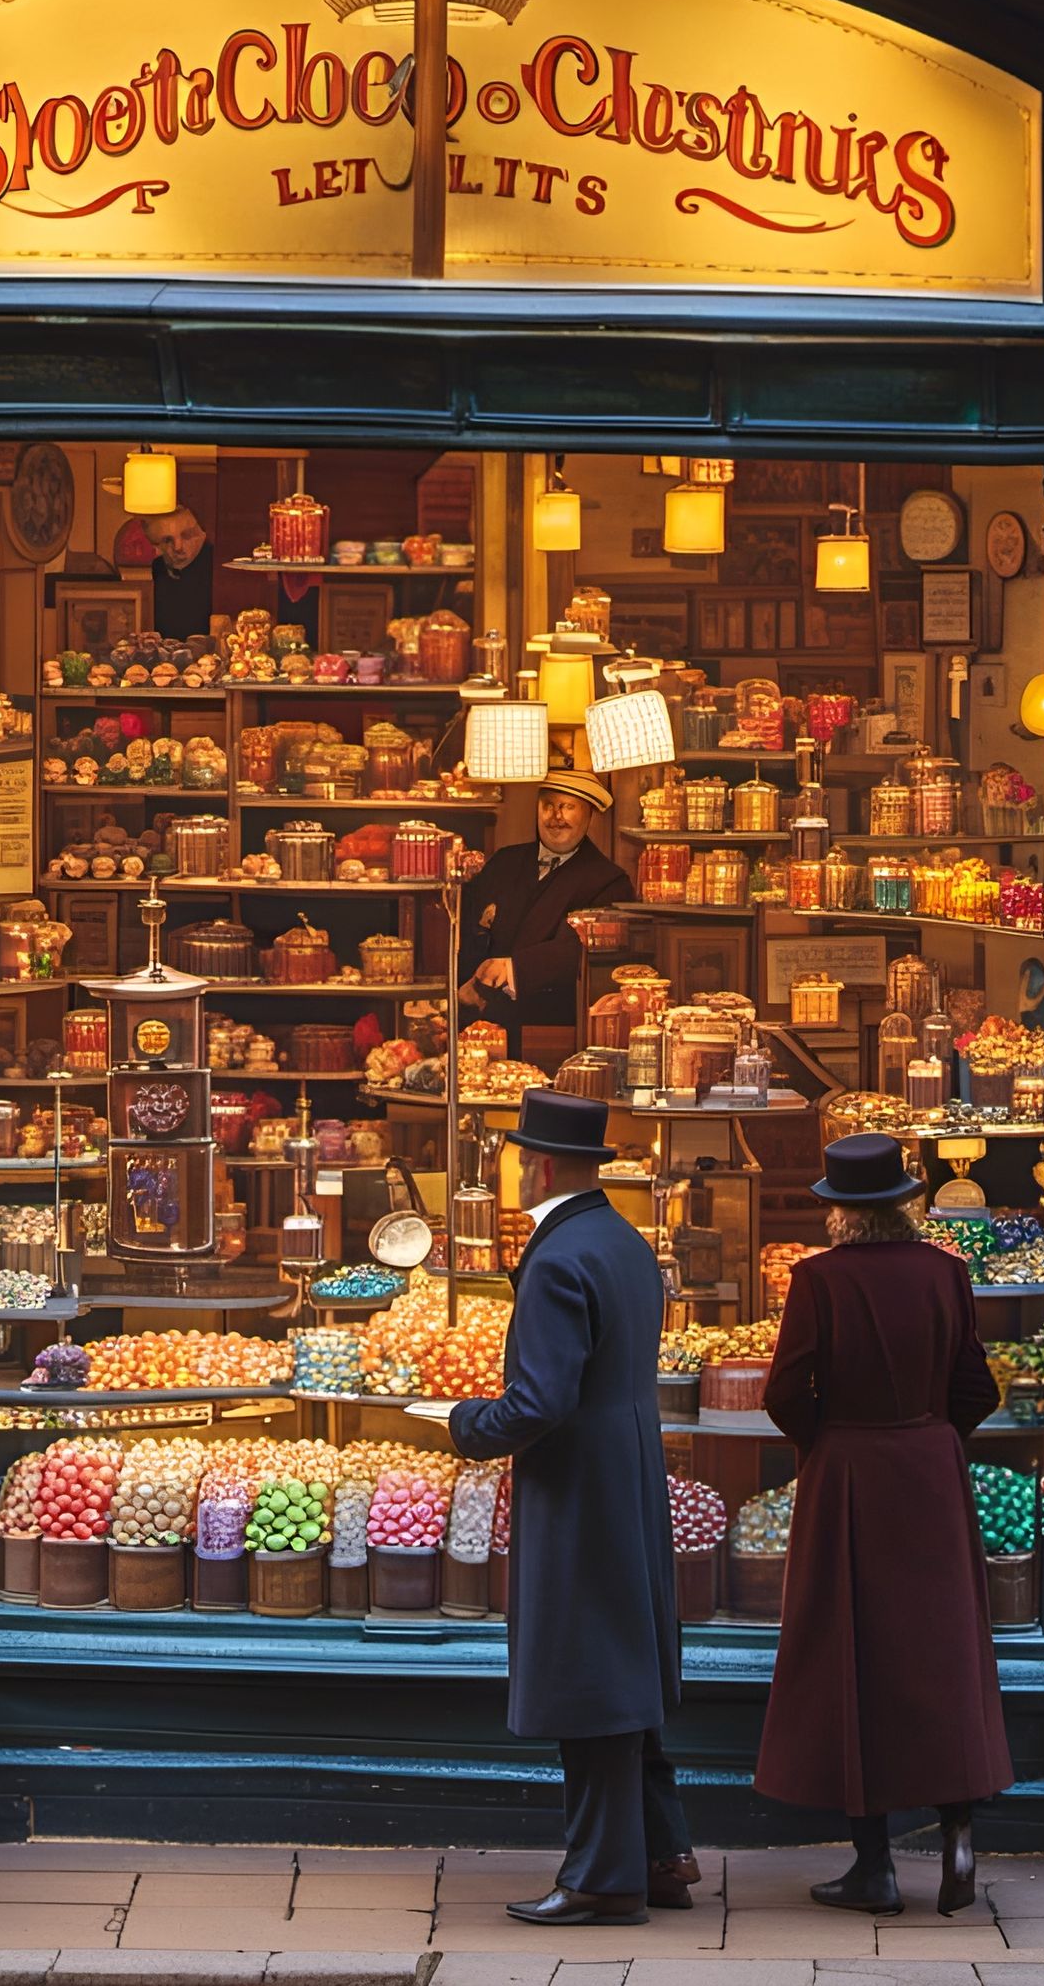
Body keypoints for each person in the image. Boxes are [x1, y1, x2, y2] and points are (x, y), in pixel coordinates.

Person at [448, 1089, 694, 1925]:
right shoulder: (622, 1240)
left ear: (541, 1163)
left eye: (516, 1154)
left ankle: (602, 1877)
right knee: (627, 1663)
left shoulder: (556, 1259)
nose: (510, 1166)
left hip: (579, 1486)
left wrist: (460, 1423)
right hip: (628, 1471)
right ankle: (662, 1853)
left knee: (591, 1673)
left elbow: (537, 1403)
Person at [754, 1131, 1013, 1917]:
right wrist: (934, 1435)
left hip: (849, 1474)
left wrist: (825, 1440)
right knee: (944, 1648)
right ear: (901, 1203)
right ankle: (958, 1832)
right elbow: (979, 1386)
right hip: (930, 1469)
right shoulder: (946, 1272)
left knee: (854, 1651)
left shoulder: (817, 1279)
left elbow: (783, 1391)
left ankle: (875, 1866)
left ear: (840, 1212)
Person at [458, 771, 625, 1059]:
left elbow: (575, 950)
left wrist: (510, 969)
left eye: (567, 806)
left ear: (589, 814)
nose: (555, 816)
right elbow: (469, 928)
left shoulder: (609, 881)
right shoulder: (503, 862)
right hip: (475, 1027)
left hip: (548, 1033)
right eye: (547, 805)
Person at [140, 503, 215, 639]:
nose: (178, 547)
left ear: (202, 533)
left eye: (187, 535)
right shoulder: (158, 568)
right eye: (167, 540)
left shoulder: (215, 563)